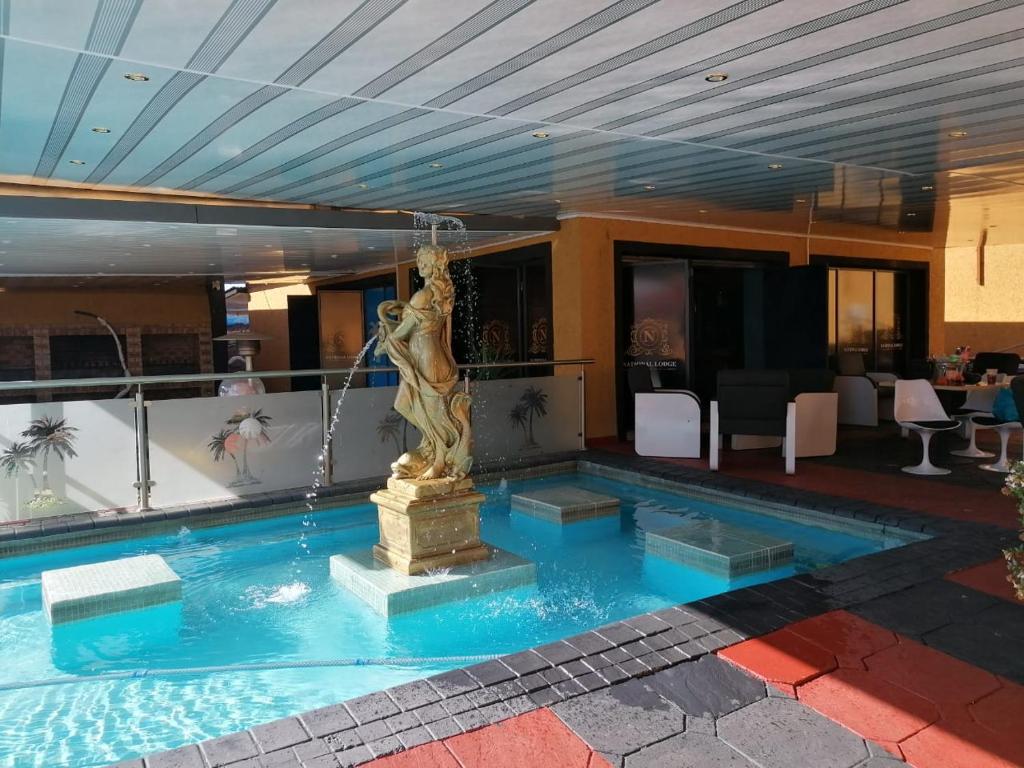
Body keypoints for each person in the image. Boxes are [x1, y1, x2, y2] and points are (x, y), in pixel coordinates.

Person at [374, 244, 472, 480]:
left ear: (437, 265)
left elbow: (402, 333)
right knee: (406, 405)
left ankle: (439, 462)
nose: (421, 265)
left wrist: (384, 337)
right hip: (428, 355)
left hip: (427, 358)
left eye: (426, 262)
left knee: (431, 413)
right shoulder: (440, 292)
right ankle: (433, 447)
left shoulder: (423, 295)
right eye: (419, 260)